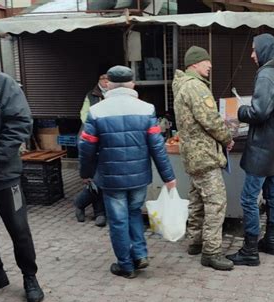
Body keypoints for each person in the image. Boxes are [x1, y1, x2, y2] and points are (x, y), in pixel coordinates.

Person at [79, 65, 176, 279]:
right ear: (132, 84)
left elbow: (86, 146)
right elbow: (157, 146)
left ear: (109, 84)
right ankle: (140, 254)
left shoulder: (97, 111)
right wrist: (169, 177)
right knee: (134, 213)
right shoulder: (146, 109)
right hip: (139, 176)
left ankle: (125, 265)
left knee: (118, 220)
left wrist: (85, 172)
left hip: (111, 178)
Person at [226, 34, 274, 266]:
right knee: (272, 195)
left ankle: (250, 249)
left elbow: (259, 113)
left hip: (262, 148)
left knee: (248, 198)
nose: (252, 54)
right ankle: (271, 241)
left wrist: (241, 111)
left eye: (255, 50)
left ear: (265, 50)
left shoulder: (266, 74)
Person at [0, 36, 44, 302]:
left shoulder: (5, 86)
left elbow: (21, 123)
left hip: (3, 175)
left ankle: (30, 277)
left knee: (18, 229)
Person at [172, 46, 234, 271]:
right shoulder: (196, 87)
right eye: (207, 62)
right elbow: (210, 119)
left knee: (197, 200)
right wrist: (227, 137)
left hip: (191, 155)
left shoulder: (181, 86)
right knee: (216, 202)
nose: (210, 66)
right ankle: (212, 252)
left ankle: (196, 241)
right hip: (205, 156)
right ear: (195, 64)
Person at [74, 74, 109, 227]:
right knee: (96, 180)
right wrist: (96, 124)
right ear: (99, 80)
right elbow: (84, 114)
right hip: (92, 138)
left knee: (100, 179)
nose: (106, 82)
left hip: (105, 139)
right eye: (103, 79)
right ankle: (98, 213)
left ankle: (81, 204)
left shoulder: (113, 94)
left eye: (109, 79)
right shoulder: (92, 95)